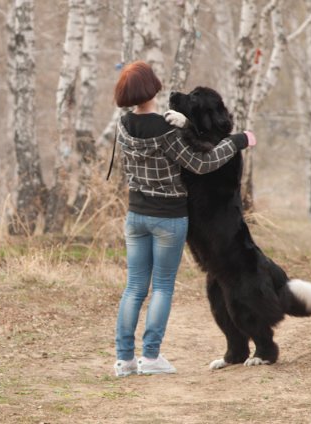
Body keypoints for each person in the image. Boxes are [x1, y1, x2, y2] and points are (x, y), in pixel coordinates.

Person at [112, 61, 256, 377]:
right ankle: (150, 358)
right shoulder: (166, 131)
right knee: (162, 287)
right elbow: (203, 163)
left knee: (134, 287)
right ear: (153, 89)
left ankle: (124, 360)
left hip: (135, 214)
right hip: (168, 216)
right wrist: (239, 140)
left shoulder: (122, 126)